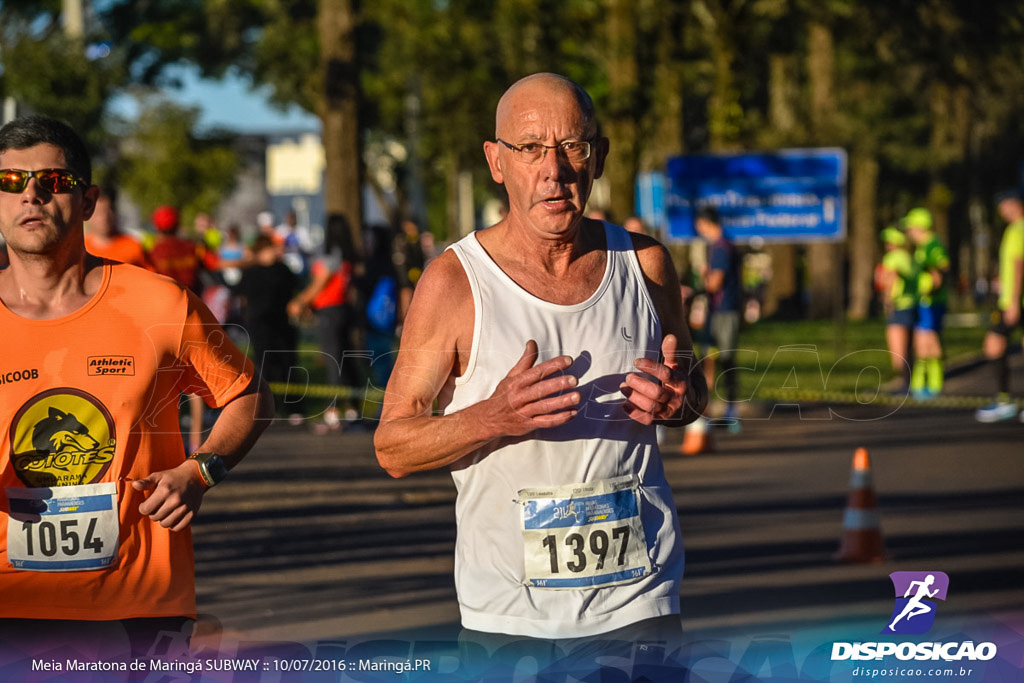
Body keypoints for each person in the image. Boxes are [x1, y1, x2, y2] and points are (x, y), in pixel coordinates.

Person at [374, 74, 706, 673]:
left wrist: (679, 397)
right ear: (496, 162)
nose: (554, 169)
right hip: (509, 615)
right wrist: (492, 417)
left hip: (640, 599)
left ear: (597, 157)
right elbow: (394, 445)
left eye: (572, 146)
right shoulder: (454, 282)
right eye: (529, 148)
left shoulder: (645, 263)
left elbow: (693, 392)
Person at [0, 115, 273, 658]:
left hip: (137, 601)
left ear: (88, 200)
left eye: (53, 181)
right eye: (10, 182)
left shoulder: (159, 304)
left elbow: (248, 394)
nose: (30, 195)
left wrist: (201, 471)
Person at [288, 213, 361, 433]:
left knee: (332, 361)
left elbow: (321, 281)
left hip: (329, 311)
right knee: (344, 359)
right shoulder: (348, 255)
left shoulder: (332, 254)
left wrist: (300, 301)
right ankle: (352, 408)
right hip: (341, 310)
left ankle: (333, 411)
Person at [681, 205, 742, 454]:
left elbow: (715, 282)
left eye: (699, 225)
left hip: (724, 310)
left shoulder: (720, 247)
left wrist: (693, 291)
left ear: (706, 223)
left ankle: (730, 410)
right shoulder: (722, 246)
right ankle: (715, 408)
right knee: (709, 356)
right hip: (718, 310)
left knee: (725, 357)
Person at [234, 234, 303, 423]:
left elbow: (297, 288)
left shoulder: (283, 269)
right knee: (266, 366)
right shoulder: (251, 272)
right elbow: (240, 295)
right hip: (260, 325)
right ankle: (269, 408)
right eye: (271, 248)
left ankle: (294, 407)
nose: (275, 251)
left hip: (282, 323)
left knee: (288, 365)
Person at [975, 189, 1024, 422]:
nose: (1001, 211)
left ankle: (1003, 400)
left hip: (1014, 302)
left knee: (993, 344)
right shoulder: (1013, 229)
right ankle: (1003, 399)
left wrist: (1013, 300)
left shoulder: (1019, 228)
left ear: (1013, 204)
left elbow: (1019, 263)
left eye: (1003, 205)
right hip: (1011, 299)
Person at [903, 207, 949, 400]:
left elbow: (943, 265)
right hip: (926, 302)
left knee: (926, 342)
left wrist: (932, 282)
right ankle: (924, 384)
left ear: (920, 227)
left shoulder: (932, 245)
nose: (909, 233)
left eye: (910, 228)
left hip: (930, 303)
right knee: (923, 341)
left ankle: (930, 384)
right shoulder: (924, 246)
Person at [877, 226, 917, 392]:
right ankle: (912, 381)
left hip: (898, 305)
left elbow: (891, 277)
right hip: (912, 304)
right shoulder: (909, 257)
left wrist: (887, 298)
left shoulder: (892, 258)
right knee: (909, 346)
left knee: (897, 348)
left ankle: (904, 384)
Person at [83, 186, 146, 267]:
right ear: (89, 212)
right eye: (99, 212)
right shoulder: (80, 248)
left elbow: (150, 276)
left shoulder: (133, 247)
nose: (104, 217)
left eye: (108, 210)